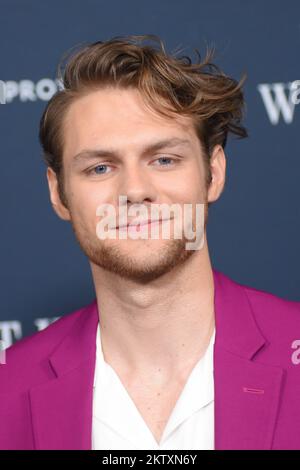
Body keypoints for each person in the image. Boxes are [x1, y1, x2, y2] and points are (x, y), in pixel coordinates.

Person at [0, 34, 299, 450]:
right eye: (101, 167)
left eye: (164, 159)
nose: (135, 190)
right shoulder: (6, 387)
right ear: (58, 192)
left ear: (213, 172)